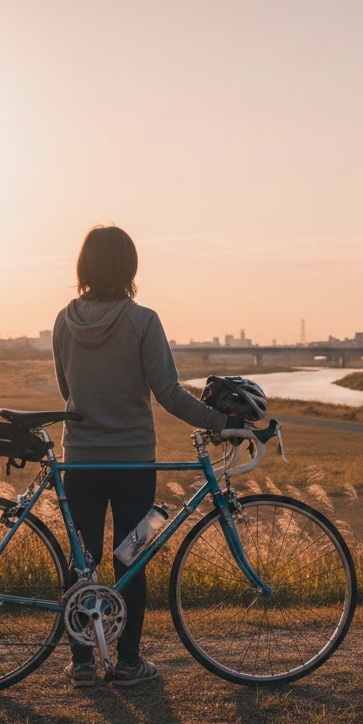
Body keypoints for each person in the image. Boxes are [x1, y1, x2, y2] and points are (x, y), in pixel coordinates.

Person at [52, 224, 231, 688]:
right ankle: (128, 663)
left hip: (80, 461)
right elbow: (169, 393)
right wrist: (218, 421)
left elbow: (66, 390)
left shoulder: (63, 320)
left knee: (83, 558)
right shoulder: (143, 320)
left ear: (83, 266)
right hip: (132, 460)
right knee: (131, 559)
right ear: (130, 267)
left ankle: (83, 664)